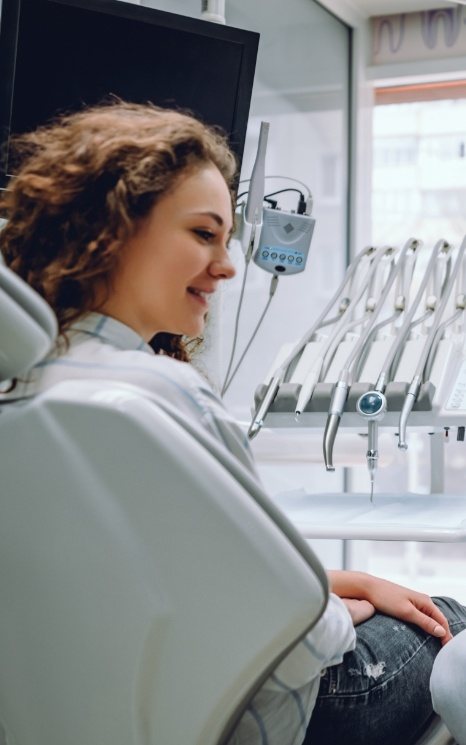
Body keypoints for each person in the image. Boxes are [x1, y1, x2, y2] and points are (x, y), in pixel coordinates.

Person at [0, 100, 465, 745]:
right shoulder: (158, 396)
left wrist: (341, 582)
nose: (226, 266)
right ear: (112, 228)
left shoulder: (32, 394)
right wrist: (335, 606)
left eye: (227, 240)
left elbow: (141, 577)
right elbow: (311, 638)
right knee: (451, 619)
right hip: (282, 712)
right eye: (201, 234)